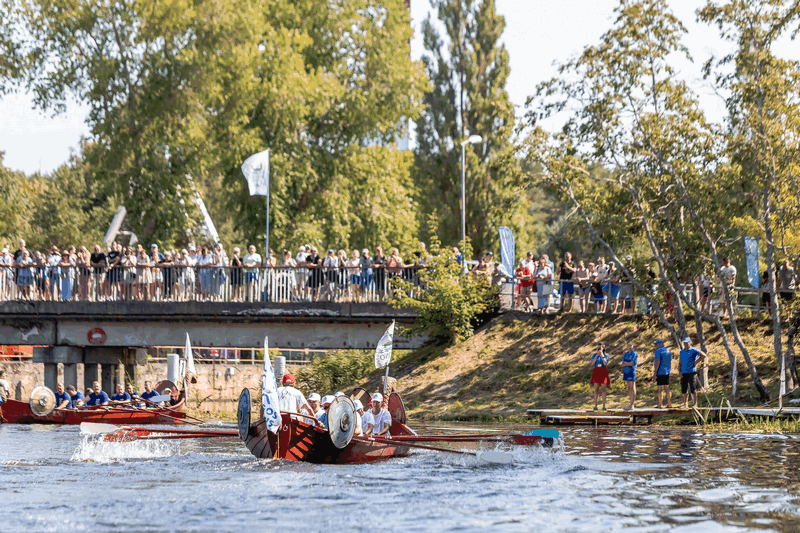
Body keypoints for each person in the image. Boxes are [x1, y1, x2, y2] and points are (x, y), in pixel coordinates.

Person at [679, 337, 708, 408]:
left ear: (690, 342)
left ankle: (695, 404)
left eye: (687, 343)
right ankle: (685, 404)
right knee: (684, 388)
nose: (685, 344)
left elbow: (704, 355)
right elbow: (680, 362)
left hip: (692, 371)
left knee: (693, 388)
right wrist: (679, 371)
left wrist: (696, 362)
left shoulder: (693, 349)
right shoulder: (682, 351)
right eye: (684, 343)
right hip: (683, 372)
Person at [653, 340, 673, 408]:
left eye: (656, 345)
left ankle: (660, 404)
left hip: (660, 371)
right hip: (667, 371)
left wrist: (655, 372)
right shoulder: (668, 350)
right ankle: (669, 403)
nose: (655, 346)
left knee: (660, 389)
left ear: (659, 344)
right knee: (667, 388)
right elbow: (670, 360)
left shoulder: (658, 351)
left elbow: (657, 361)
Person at [590, 343, 610, 411]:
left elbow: (605, 363)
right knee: (596, 389)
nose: (598, 349)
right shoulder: (594, 355)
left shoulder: (606, 355)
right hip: (596, 371)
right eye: (597, 348)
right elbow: (592, 363)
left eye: (600, 348)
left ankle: (604, 406)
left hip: (603, 370)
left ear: (603, 348)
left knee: (603, 389)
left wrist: (602, 355)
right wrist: (597, 355)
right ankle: (595, 405)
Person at [621, 342, 638, 410]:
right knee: (629, 387)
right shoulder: (626, 354)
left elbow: (632, 363)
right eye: (628, 345)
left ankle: (632, 404)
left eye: (631, 345)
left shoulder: (634, 353)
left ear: (633, 346)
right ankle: (630, 404)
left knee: (632, 386)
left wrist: (626, 363)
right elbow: (622, 363)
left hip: (631, 371)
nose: (629, 346)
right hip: (626, 371)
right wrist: (625, 363)